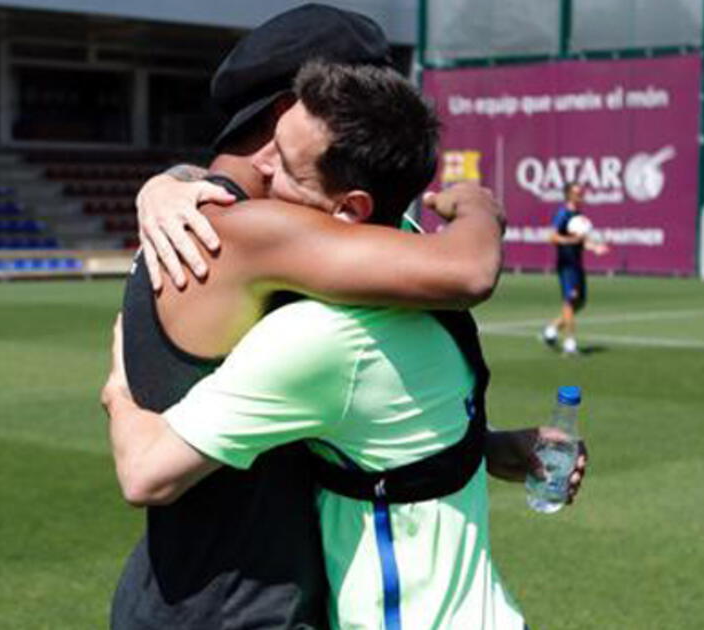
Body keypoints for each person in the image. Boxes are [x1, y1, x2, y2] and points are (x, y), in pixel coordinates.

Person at [105, 6, 584, 630]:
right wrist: (477, 207)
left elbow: (353, 410)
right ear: (292, 109)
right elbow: (466, 271)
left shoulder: (214, 213)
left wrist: (484, 448)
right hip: (238, 608)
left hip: (197, 590)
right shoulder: (254, 234)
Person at [540, 182, 608, 356]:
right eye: (577, 193)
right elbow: (552, 237)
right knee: (570, 302)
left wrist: (595, 247)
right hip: (566, 265)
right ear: (569, 195)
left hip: (577, 264)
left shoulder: (578, 215)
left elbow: (582, 240)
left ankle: (551, 331)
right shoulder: (563, 214)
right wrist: (572, 241)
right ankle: (570, 344)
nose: (581, 195)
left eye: (581, 193)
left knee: (580, 302)